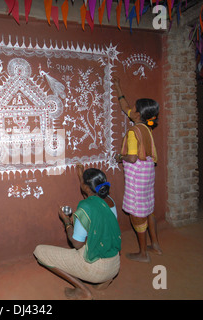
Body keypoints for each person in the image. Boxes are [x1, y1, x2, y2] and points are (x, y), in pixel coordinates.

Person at [33, 166, 121, 300]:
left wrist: (67, 222)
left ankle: (83, 290)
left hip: (96, 268)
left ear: (85, 187)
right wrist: (82, 175)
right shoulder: (109, 201)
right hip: (114, 265)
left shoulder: (85, 207)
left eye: (82, 182)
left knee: (40, 251)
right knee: (92, 238)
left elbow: (77, 244)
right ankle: (104, 281)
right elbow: (90, 194)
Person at [112, 77, 162, 263]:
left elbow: (132, 158)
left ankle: (143, 253)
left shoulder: (133, 132)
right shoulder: (145, 128)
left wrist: (120, 157)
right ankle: (155, 245)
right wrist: (118, 87)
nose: (131, 109)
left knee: (136, 214)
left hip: (137, 176)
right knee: (148, 208)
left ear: (139, 114)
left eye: (135, 108)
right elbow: (125, 108)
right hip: (148, 173)